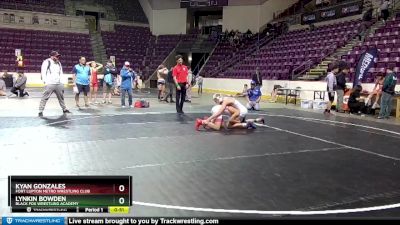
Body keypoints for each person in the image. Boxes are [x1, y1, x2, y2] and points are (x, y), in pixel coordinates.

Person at [38, 51, 70, 117]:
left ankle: (64, 109)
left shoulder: (59, 63)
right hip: (50, 83)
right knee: (45, 97)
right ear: (52, 56)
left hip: (58, 83)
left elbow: (61, 73)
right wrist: (45, 82)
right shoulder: (47, 62)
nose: (57, 57)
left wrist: (62, 82)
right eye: (56, 56)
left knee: (61, 97)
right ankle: (40, 110)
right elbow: (43, 72)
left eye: (58, 56)